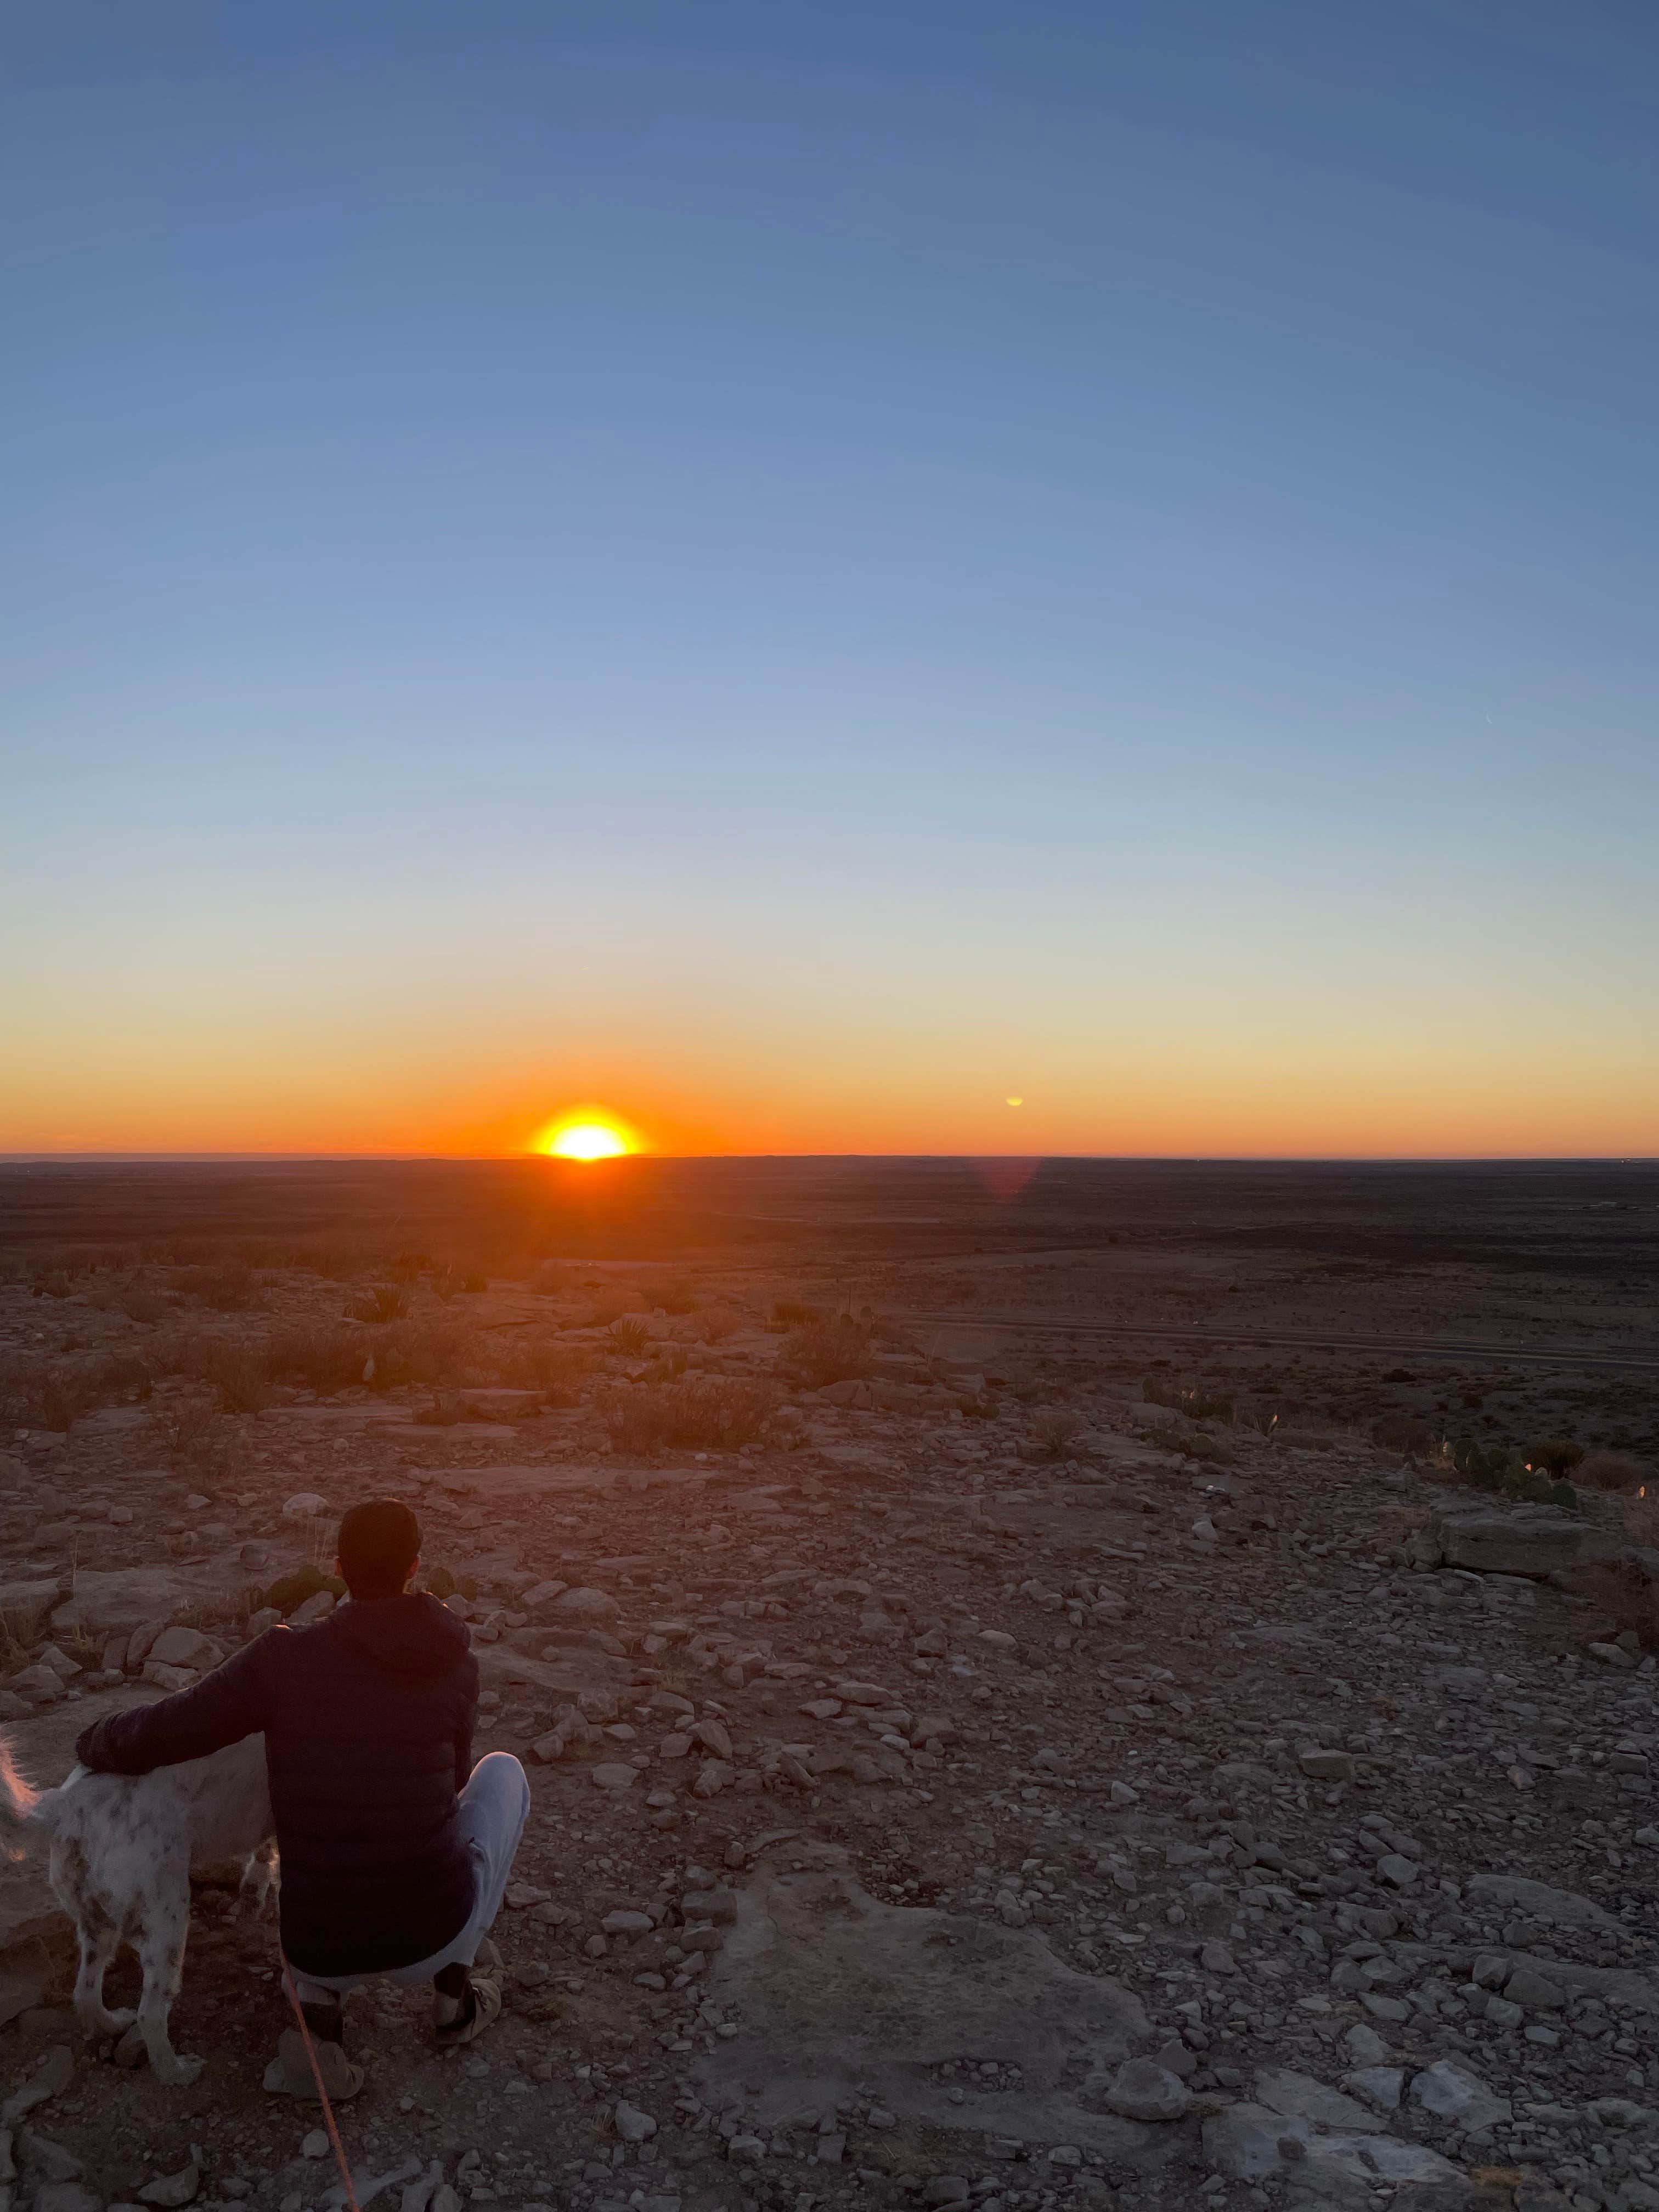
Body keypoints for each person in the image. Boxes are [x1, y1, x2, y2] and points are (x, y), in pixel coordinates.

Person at [76, 1496, 528, 2097]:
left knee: (324, 1912)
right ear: (416, 1566)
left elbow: (174, 1726)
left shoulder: (282, 1657)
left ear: (337, 1569)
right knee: (503, 1773)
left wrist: (95, 1740)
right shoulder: (455, 1662)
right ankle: (454, 1996)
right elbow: (451, 1786)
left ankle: (318, 2017)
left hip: (316, 1946)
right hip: (429, 1930)